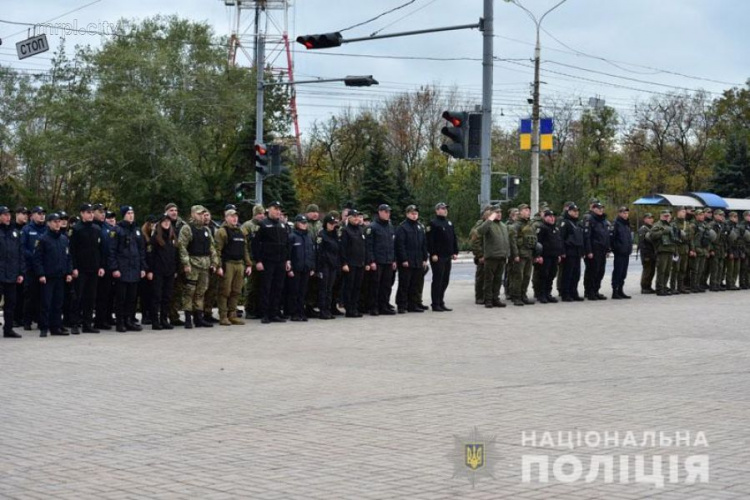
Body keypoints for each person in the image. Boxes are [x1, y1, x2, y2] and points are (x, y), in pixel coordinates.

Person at [178, 205, 220, 329]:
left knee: (201, 292)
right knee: (189, 291)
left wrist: (214, 262)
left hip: (205, 265)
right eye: (199, 214)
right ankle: (187, 318)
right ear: (193, 215)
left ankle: (199, 318)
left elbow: (212, 247)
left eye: (203, 214)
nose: (201, 216)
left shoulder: (206, 230)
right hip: (193, 264)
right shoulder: (187, 229)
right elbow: (182, 247)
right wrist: (186, 264)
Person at [33, 213, 73, 337]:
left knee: (58, 303)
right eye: (55, 221)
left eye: (59, 221)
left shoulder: (64, 239)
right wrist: (41, 274)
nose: (57, 224)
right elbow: (37, 259)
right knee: (46, 303)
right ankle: (44, 327)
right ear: (49, 223)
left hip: (60, 276)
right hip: (48, 277)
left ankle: (56, 327)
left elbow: (68, 257)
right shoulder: (43, 239)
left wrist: (68, 272)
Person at [109, 206, 147, 332]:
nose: (131, 215)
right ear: (124, 215)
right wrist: (114, 268)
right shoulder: (117, 230)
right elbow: (112, 251)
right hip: (122, 268)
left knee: (132, 298)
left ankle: (129, 320)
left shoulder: (137, 230)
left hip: (134, 268)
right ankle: (120, 322)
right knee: (121, 298)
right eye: (128, 213)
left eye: (132, 213)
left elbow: (142, 250)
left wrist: (143, 267)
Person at [252, 201, 290, 324]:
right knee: (266, 288)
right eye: (275, 209)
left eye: (279, 209)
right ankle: (265, 314)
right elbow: (255, 244)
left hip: (280, 261)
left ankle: (275, 312)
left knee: (278, 288)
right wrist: (258, 261)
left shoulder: (282, 225)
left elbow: (286, 245)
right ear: (269, 209)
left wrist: (287, 260)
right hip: (267, 261)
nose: (278, 211)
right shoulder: (262, 224)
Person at [70, 203, 105, 334]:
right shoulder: (76, 229)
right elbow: (72, 250)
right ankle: (74, 323)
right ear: (82, 213)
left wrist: (101, 266)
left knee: (91, 298)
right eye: (87, 212)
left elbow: (100, 249)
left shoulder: (96, 229)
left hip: (94, 268)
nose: (90, 214)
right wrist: (74, 267)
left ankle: (87, 324)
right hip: (81, 269)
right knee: (77, 297)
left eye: (91, 212)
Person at [215, 208, 252, 326]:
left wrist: (249, 264)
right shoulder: (222, 231)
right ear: (226, 218)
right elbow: (217, 250)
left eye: (236, 216)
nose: (235, 218)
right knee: (225, 291)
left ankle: (233, 315)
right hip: (228, 264)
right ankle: (223, 316)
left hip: (239, 264)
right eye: (231, 216)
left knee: (236, 291)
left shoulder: (240, 232)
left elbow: (245, 249)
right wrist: (219, 266)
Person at [147, 215, 178, 330]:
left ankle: (164, 319)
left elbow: (176, 255)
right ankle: (155, 321)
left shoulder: (172, 237)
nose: (166, 223)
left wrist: (175, 269)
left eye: (168, 221)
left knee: (167, 296)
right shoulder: (155, 238)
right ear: (160, 223)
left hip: (169, 271)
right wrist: (149, 270)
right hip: (157, 271)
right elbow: (150, 255)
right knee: (156, 296)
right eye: (164, 221)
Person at [426, 202, 459, 312]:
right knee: (438, 280)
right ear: (437, 210)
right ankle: (435, 303)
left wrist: (455, 251)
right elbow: (430, 241)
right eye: (442, 208)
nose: (445, 210)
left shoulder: (449, 223)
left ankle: (441, 301)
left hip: (447, 255)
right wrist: (433, 253)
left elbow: (453, 238)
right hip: (438, 256)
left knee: (445, 280)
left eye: (445, 208)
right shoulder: (433, 223)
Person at [395, 205, 428, 314]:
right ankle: (402, 305)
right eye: (412, 213)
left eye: (416, 213)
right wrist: (403, 259)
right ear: (407, 214)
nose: (414, 215)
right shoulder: (403, 227)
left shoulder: (419, 227)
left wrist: (424, 258)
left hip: (417, 260)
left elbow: (423, 244)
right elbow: (400, 245)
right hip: (407, 261)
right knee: (405, 283)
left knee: (415, 283)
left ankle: (413, 304)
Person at [476, 205, 510, 308]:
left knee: (498, 280)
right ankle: (488, 300)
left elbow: (506, 241)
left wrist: (507, 254)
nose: (499, 214)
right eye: (496, 212)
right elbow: (480, 231)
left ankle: (496, 298)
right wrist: (490, 219)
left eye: (500, 212)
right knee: (489, 280)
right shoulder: (488, 224)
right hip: (491, 257)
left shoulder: (503, 226)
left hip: (502, 256)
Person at [366, 204, 397, 315]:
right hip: (378, 261)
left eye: (389, 212)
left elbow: (392, 244)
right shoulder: (372, 227)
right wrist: (372, 261)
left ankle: (384, 306)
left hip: (388, 260)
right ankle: (374, 307)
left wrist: (393, 260)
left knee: (386, 285)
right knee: (375, 285)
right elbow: (369, 246)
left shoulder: (390, 226)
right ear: (380, 212)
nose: (388, 214)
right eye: (385, 212)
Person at [0, 206, 25, 338]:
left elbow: (20, 253)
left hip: (11, 274)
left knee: (11, 303)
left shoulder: (14, 232)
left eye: (8, 214)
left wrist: (21, 272)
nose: (7, 217)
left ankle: (8, 329)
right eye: (4, 214)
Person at [21, 206, 47, 330]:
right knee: (30, 295)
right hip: (31, 268)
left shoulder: (47, 229)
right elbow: (22, 247)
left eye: (43, 214)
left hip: (45, 268)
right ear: (33, 216)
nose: (42, 216)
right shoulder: (27, 229)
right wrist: (34, 256)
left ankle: (41, 320)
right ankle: (27, 321)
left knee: (44, 296)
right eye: (39, 213)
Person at [286, 215, 315, 322]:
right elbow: (288, 254)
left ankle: (301, 311)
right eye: (302, 222)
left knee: (303, 292)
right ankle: (294, 313)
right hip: (296, 268)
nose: (304, 224)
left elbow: (312, 253)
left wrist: (312, 267)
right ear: (297, 223)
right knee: (294, 292)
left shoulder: (308, 236)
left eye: (305, 222)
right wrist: (290, 269)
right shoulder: (292, 236)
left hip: (306, 268)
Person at [508, 204, 537, 306]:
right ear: (520, 212)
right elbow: (513, 241)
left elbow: (534, 239)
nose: (528, 212)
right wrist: (515, 254)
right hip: (520, 254)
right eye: (525, 210)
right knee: (518, 276)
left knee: (527, 276)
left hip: (529, 254)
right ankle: (516, 297)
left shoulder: (530, 224)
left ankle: (523, 295)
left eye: (529, 210)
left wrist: (535, 253)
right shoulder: (516, 225)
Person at [340, 210, 366, 318]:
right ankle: (349, 309)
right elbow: (343, 248)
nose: (356, 218)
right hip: (350, 263)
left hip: (360, 263)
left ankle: (354, 307)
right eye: (354, 216)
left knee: (357, 287)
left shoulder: (360, 230)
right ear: (349, 218)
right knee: (349, 287)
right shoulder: (346, 230)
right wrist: (344, 263)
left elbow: (363, 247)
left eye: (357, 216)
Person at [241, 204, 265, 319]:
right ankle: (249, 309)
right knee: (251, 286)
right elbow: (244, 244)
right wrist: (247, 261)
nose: (261, 216)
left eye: (263, 213)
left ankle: (259, 308)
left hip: (262, 259)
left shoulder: (264, 225)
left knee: (261, 286)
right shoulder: (247, 226)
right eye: (259, 214)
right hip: (251, 259)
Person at [582, 202, 611, 301]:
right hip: (594, 250)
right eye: (598, 208)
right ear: (593, 209)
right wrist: (589, 251)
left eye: (602, 208)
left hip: (602, 250)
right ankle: (590, 292)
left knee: (600, 272)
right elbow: (587, 237)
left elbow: (606, 236)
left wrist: (608, 249)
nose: (600, 210)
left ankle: (596, 290)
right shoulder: (590, 219)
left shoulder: (603, 220)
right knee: (592, 272)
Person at [95, 210, 117, 330]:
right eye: (100, 212)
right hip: (95, 266)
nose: (103, 214)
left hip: (107, 266)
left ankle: (104, 318)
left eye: (104, 212)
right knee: (96, 296)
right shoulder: (95, 227)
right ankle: (96, 320)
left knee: (106, 295)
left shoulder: (108, 228)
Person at [536, 209, 564, 303]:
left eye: (553, 217)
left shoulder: (555, 228)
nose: (552, 218)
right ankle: (541, 295)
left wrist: (559, 254)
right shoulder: (542, 228)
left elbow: (558, 242)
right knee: (544, 275)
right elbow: (538, 243)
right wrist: (538, 256)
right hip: (545, 256)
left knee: (551, 275)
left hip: (554, 256)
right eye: (549, 216)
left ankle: (548, 293)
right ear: (545, 217)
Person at [316, 214, 340, 320]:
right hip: (324, 265)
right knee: (323, 289)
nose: (332, 226)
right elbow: (319, 252)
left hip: (333, 265)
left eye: (334, 224)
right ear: (326, 224)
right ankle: (323, 310)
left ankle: (328, 309)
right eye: (330, 224)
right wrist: (319, 267)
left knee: (329, 289)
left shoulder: (334, 235)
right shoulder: (322, 235)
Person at [559, 203, 585, 302]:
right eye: (574, 211)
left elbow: (580, 238)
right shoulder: (565, 223)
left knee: (576, 274)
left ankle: (574, 292)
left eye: (577, 211)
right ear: (569, 211)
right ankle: (565, 294)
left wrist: (582, 251)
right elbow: (561, 238)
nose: (576, 213)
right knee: (567, 274)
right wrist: (563, 251)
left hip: (577, 251)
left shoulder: (577, 223)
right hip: (569, 251)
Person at [649, 209, 677, 296]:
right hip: (662, 251)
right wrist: (662, 231)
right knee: (661, 271)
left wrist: (675, 250)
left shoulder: (671, 225)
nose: (667, 217)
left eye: (668, 216)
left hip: (670, 250)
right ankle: (659, 288)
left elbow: (675, 239)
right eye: (665, 216)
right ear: (661, 216)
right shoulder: (658, 225)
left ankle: (664, 287)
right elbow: (652, 235)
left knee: (667, 271)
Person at [469, 206, 492, 305]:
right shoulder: (479, 226)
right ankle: (479, 296)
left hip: (492, 255)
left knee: (490, 278)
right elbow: (475, 242)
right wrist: (479, 255)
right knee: (481, 277)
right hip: (483, 256)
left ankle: (488, 296)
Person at [202, 209, 221, 323]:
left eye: (208, 215)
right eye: (204, 215)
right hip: (201, 263)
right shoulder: (195, 228)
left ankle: (208, 312)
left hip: (214, 262)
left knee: (212, 289)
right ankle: (199, 313)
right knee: (201, 290)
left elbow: (218, 248)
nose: (206, 217)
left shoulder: (215, 228)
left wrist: (217, 264)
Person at [610, 206, 633, 299]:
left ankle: (620, 289)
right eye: (623, 213)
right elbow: (612, 238)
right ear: (619, 213)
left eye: (627, 213)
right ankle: (615, 291)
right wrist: (616, 248)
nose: (625, 215)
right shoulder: (616, 224)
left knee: (623, 272)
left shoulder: (626, 224)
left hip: (626, 252)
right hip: (619, 252)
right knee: (618, 272)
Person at [11, 206, 28, 328]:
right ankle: (13, 318)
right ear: (17, 214)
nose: (25, 216)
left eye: (27, 214)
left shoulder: (27, 229)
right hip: (13, 265)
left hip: (25, 266)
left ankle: (20, 317)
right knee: (13, 294)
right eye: (23, 213)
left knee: (23, 293)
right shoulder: (11, 228)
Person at [670, 206, 691, 295]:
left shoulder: (687, 224)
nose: (684, 213)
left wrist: (686, 238)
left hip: (685, 249)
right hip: (677, 249)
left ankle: (680, 286)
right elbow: (672, 236)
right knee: (675, 269)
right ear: (678, 212)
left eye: (684, 212)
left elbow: (690, 236)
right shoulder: (673, 224)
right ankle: (672, 287)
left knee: (683, 269)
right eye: (682, 211)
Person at [689, 209, 709, 293]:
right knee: (695, 269)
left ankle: (698, 285)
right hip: (697, 249)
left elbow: (707, 238)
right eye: (700, 215)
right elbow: (691, 238)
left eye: (702, 215)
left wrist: (707, 250)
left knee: (701, 269)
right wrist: (692, 249)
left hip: (703, 249)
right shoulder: (693, 225)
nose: (702, 216)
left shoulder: (704, 225)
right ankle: (693, 286)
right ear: (696, 216)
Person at [637, 213, 656, 294]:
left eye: (652, 218)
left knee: (652, 270)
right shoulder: (643, 229)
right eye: (649, 218)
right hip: (646, 253)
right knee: (647, 271)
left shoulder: (652, 228)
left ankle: (649, 286)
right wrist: (646, 255)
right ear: (644, 219)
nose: (651, 219)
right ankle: (644, 287)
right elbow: (642, 243)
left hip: (653, 252)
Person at [708, 210, 727, 291]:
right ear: (715, 215)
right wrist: (711, 249)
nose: (722, 216)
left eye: (723, 215)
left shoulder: (722, 225)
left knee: (720, 267)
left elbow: (725, 239)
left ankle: (718, 283)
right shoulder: (712, 225)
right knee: (715, 268)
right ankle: (713, 284)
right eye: (720, 215)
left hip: (722, 248)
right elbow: (709, 238)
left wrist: (726, 250)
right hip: (715, 248)